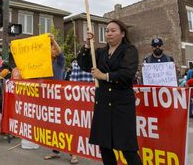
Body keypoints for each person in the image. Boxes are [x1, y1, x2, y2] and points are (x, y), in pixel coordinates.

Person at [77, 19, 141, 165]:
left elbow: (127, 75)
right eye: (107, 31)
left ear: (122, 33)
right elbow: (84, 64)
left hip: (122, 105)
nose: (109, 33)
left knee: (128, 148)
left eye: (113, 30)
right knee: (105, 146)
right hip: (103, 104)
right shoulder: (100, 52)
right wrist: (88, 45)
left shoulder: (129, 50)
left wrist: (104, 76)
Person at [44, 34, 78, 164]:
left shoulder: (59, 62)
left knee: (65, 126)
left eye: (53, 48)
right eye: (50, 48)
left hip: (60, 98)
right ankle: (55, 151)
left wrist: (53, 40)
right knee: (53, 126)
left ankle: (73, 153)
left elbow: (60, 52)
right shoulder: (44, 64)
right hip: (49, 98)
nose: (52, 50)